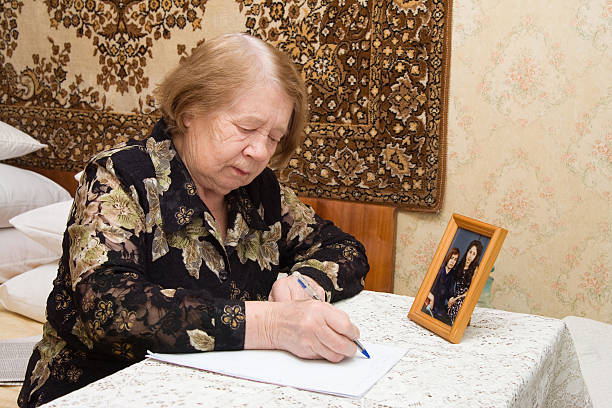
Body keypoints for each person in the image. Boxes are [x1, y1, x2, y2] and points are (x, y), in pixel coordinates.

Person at [18, 33, 369, 407]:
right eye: (247, 128)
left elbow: (344, 248)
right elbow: (109, 305)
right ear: (190, 110)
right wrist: (271, 324)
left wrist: (308, 282)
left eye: (273, 137)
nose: (259, 151)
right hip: (100, 391)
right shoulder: (119, 176)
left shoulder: (260, 191)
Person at [447, 240, 483, 324]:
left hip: (465, 296)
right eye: (470, 252)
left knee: (459, 305)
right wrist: (451, 298)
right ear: (467, 251)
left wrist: (457, 298)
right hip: (455, 296)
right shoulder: (460, 265)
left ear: (476, 256)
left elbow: (472, 290)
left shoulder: (475, 269)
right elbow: (451, 282)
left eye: (474, 254)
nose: (470, 256)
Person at [424, 247, 459, 325]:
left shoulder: (452, 275)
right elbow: (426, 287)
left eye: (455, 259)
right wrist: (431, 297)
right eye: (451, 258)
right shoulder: (438, 270)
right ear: (448, 258)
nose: (452, 261)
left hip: (441, 309)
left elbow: (450, 292)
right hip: (430, 305)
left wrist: (451, 299)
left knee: (449, 325)